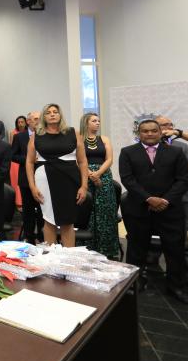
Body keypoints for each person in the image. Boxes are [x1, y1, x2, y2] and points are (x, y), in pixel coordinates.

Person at [120, 119, 188, 303]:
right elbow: (128, 179)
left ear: (160, 132)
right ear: (139, 134)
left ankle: (176, 286)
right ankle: (135, 282)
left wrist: (165, 200)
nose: (150, 134)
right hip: (139, 209)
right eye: (145, 131)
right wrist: (148, 198)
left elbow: (184, 180)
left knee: (174, 249)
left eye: (153, 130)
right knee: (136, 248)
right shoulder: (127, 152)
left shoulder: (175, 152)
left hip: (170, 209)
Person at [26, 104, 88, 247]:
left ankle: (69, 256)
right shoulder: (37, 135)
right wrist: (32, 186)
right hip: (44, 179)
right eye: (48, 112)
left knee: (68, 220)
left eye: (55, 112)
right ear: (44, 117)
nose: (52, 114)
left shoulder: (73, 133)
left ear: (60, 115)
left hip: (70, 179)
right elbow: (29, 162)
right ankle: (51, 256)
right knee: (48, 219)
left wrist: (84, 186)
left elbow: (83, 161)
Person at [81, 113, 120, 259]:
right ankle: (87, 248)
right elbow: (78, 160)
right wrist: (90, 173)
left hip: (104, 175)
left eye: (98, 121)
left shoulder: (104, 139)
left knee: (105, 211)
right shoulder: (79, 139)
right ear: (86, 123)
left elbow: (109, 159)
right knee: (88, 211)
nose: (97, 123)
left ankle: (106, 249)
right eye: (94, 121)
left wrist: (97, 174)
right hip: (84, 175)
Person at [11, 111, 42, 243]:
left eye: (40, 119)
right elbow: (13, 155)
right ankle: (29, 238)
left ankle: (43, 237)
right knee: (28, 210)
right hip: (25, 179)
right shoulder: (20, 137)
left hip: (43, 178)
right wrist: (29, 159)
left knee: (42, 210)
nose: (39, 121)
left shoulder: (45, 135)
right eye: (36, 119)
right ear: (28, 121)